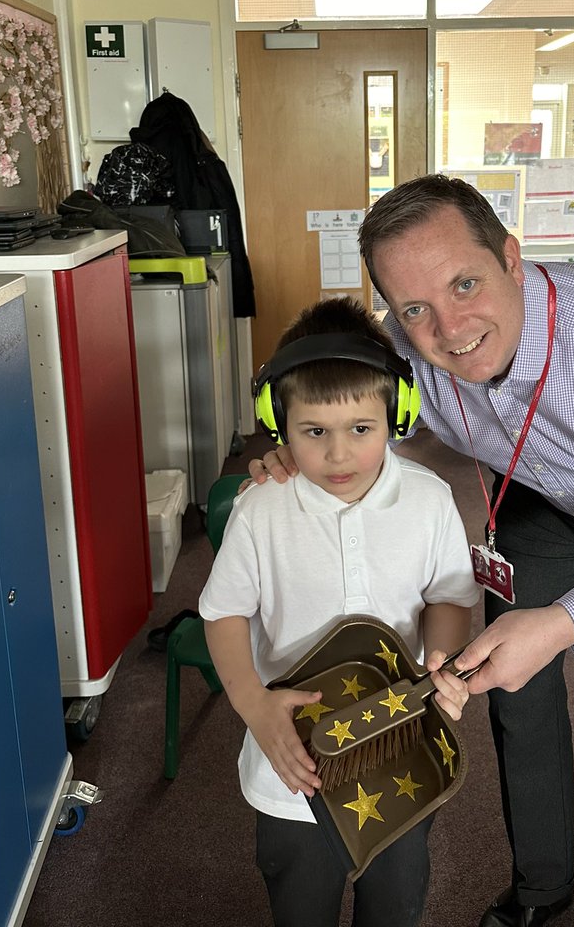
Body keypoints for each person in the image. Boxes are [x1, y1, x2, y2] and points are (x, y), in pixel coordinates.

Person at [250, 175, 574, 927]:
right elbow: (339, 414)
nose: (448, 328)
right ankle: (543, 896)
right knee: (515, 693)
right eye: (414, 307)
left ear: (513, 259)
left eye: (465, 283)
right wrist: (293, 452)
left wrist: (563, 624)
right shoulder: (400, 356)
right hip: (542, 505)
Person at [201, 295, 479, 927]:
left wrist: (441, 662)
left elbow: (449, 597)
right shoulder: (261, 511)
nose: (337, 455)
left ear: (397, 416)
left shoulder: (430, 501)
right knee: (300, 903)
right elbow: (223, 614)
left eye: (361, 429)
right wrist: (252, 705)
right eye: (313, 432)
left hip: (399, 749)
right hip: (292, 768)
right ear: (279, 423)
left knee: (396, 904)